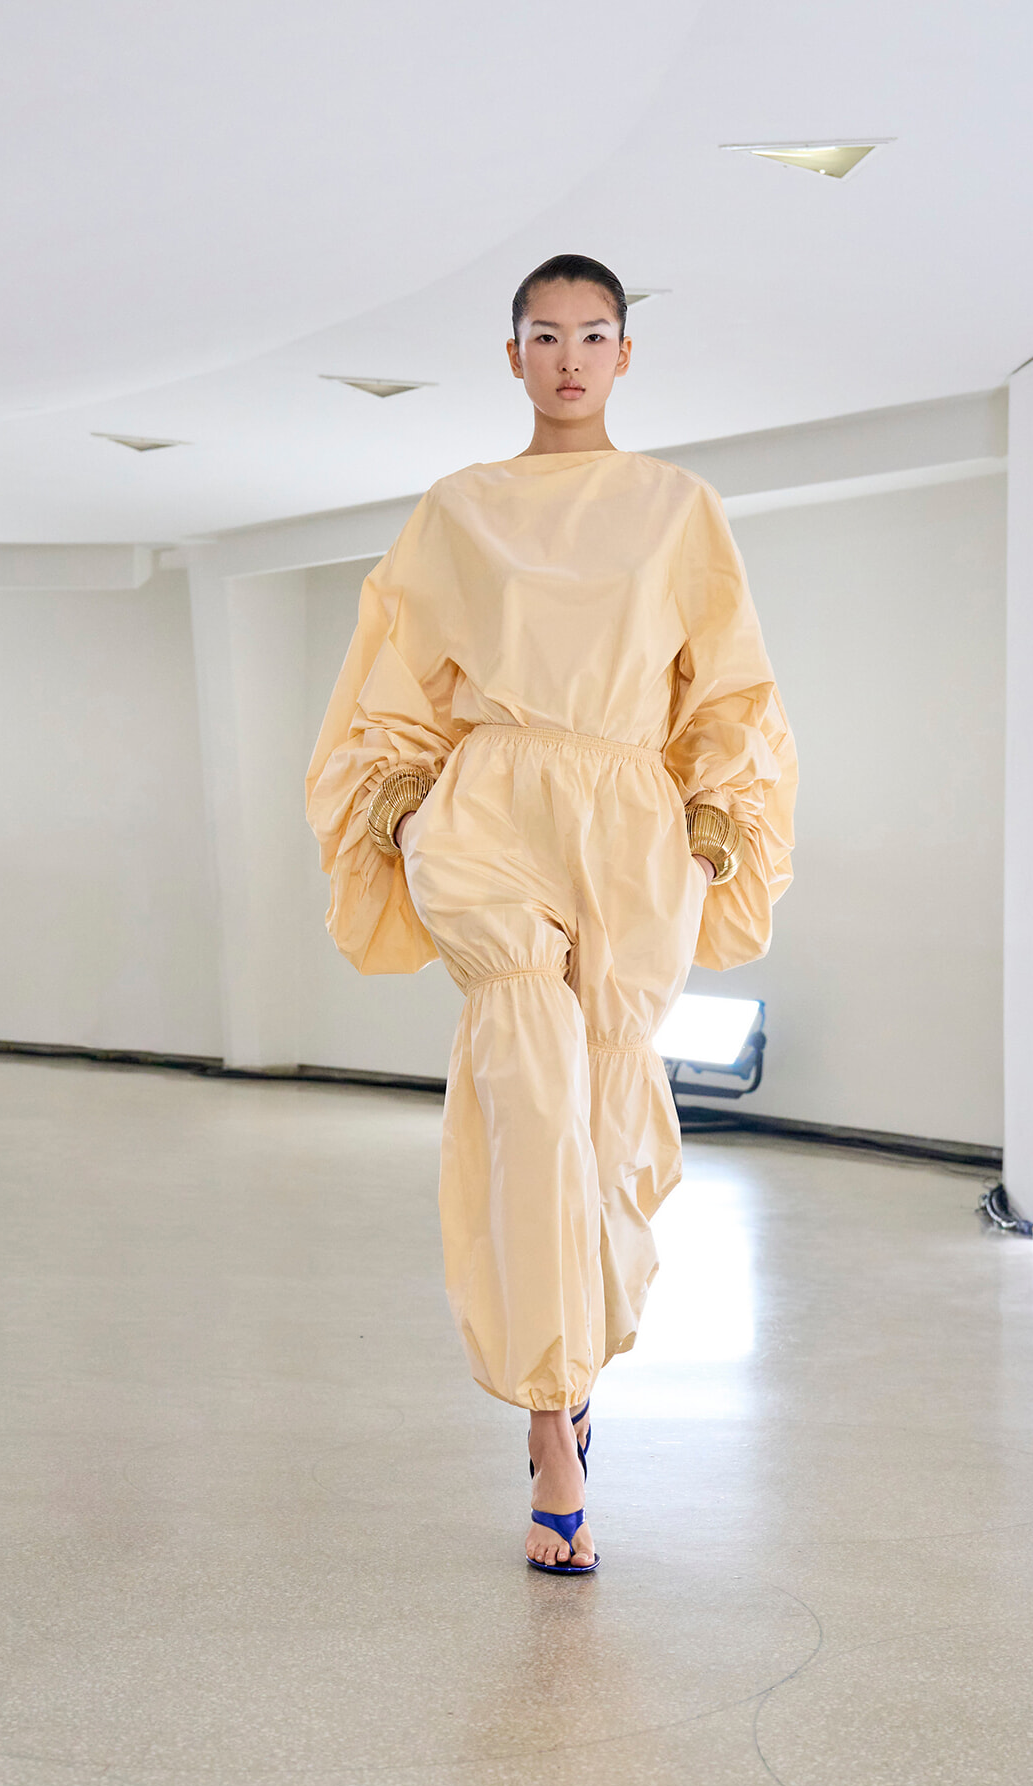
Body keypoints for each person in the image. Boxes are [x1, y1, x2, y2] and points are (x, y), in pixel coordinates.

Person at [305, 252, 797, 1574]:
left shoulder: (679, 508)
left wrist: (713, 812)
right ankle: (549, 1426)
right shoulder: (458, 509)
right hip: (496, 804)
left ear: (625, 355)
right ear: (510, 355)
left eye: (593, 334)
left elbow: (731, 687)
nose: (569, 356)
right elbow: (394, 669)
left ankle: (581, 1369)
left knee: (609, 1113)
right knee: (527, 1099)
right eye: (544, 334)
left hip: (632, 816)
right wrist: (407, 803)